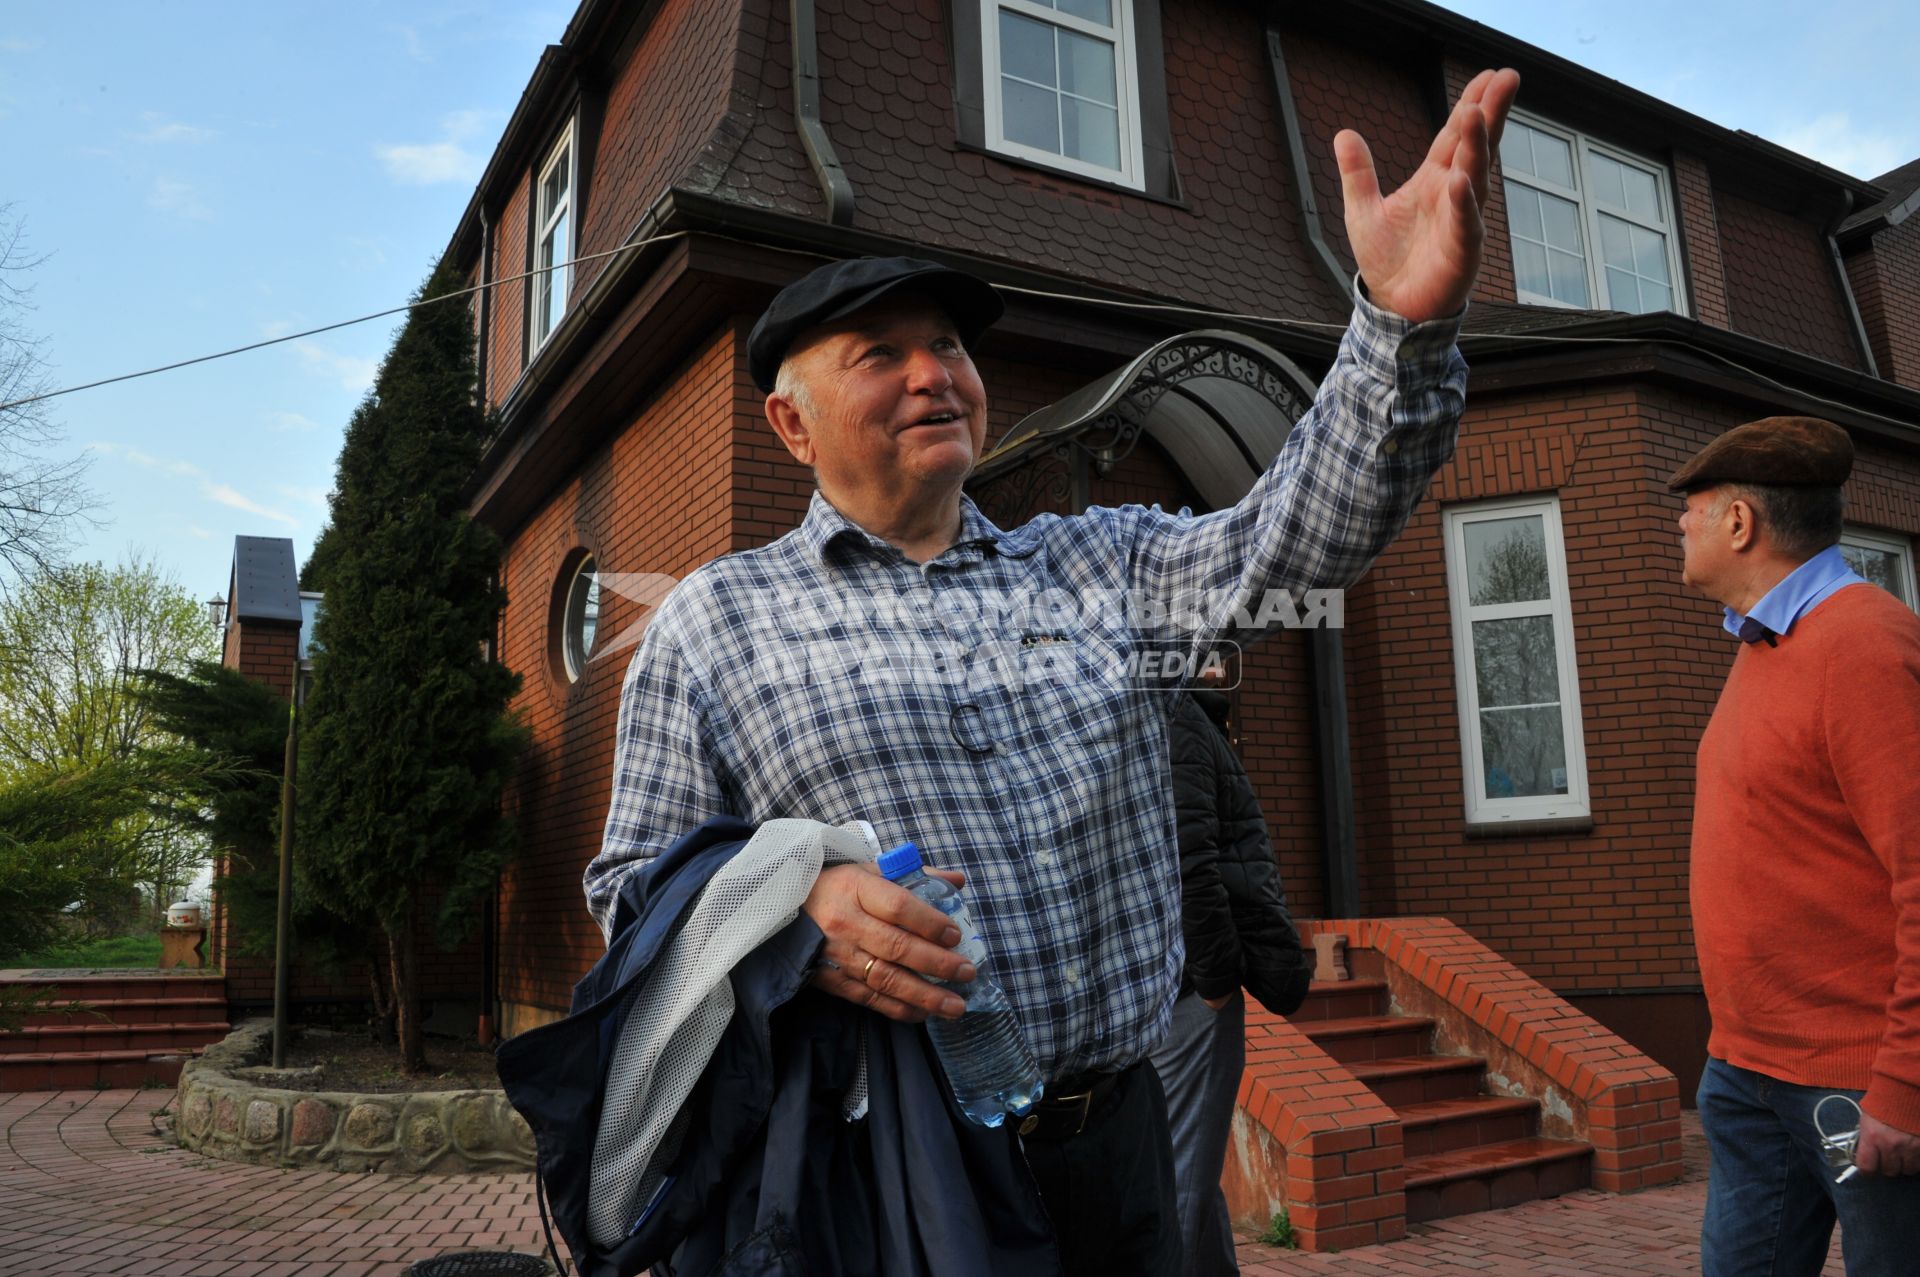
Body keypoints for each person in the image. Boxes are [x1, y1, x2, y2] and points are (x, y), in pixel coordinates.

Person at [588, 67, 1520, 1275]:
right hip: (893, 1167)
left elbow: (1300, 530)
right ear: (790, 423)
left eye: (949, 346)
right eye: (883, 353)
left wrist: (1396, 327)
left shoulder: (1101, 562)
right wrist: (792, 916)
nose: (937, 372)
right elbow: (630, 897)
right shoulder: (716, 624)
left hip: (1125, 1142)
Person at [1674, 415, 1920, 1276]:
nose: (1681, 522)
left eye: (1693, 506)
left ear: (1741, 522)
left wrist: (1905, 1085)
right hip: (1745, 1075)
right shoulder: (1766, 644)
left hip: (1858, 1091)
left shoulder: (1861, 645)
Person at [1149, 685, 1310, 1276]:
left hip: (1178, 988)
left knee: (1190, 1174)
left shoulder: (1180, 716)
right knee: (1178, 1184)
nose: (1224, 659)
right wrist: (1214, 982)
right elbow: (1189, 859)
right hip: (1189, 994)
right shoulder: (1176, 720)